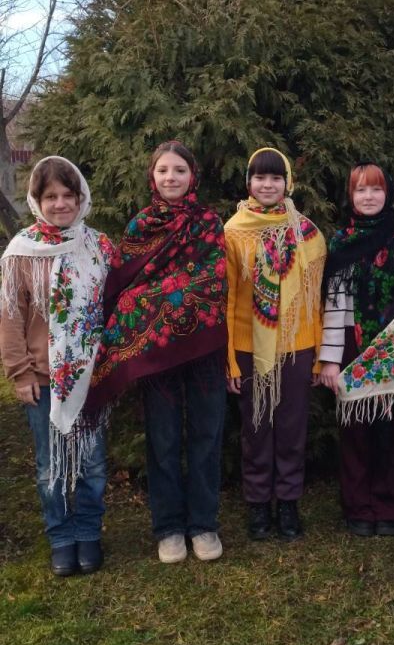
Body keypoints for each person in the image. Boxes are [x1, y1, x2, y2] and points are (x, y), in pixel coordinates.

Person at [87, 142, 227, 565]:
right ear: (152, 176)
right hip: (156, 353)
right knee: (163, 438)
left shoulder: (208, 223)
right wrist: (162, 303)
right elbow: (125, 290)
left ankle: (203, 524)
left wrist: (161, 299)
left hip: (204, 346)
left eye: (179, 170)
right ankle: (168, 527)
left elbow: (213, 280)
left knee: (206, 435)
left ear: (192, 176)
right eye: (163, 170)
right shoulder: (140, 227)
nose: (171, 177)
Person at [0, 156, 113, 577]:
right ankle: (61, 538)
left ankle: (88, 532)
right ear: (37, 200)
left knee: (92, 462)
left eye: (69, 195)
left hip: (91, 376)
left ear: (81, 198)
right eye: (51, 196)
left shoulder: (99, 246)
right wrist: (20, 372)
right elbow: (10, 316)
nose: (61, 204)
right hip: (44, 378)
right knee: (51, 465)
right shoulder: (22, 252)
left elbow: (114, 305)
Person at [224, 147, 326, 541]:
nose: (267, 185)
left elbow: (315, 299)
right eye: (260, 177)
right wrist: (230, 359)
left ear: (288, 182)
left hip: (297, 345)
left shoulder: (308, 233)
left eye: (275, 177)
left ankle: (288, 502)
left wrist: (317, 354)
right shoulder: (233, 232)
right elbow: (228, 299)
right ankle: (257, 504)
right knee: (255, 428)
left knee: (291, 427)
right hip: (250, 347)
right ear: (248, 182)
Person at [320, 161, 394, 537]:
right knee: (355, 426)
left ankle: (389, 503)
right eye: (360, 189)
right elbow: (334, 303)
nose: (368, 196)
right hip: (351, 343)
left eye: (376, 189)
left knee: (393, 426)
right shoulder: (342, 242)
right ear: (351, 196)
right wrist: (329, 360)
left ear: (388, 193)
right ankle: (358, 504)